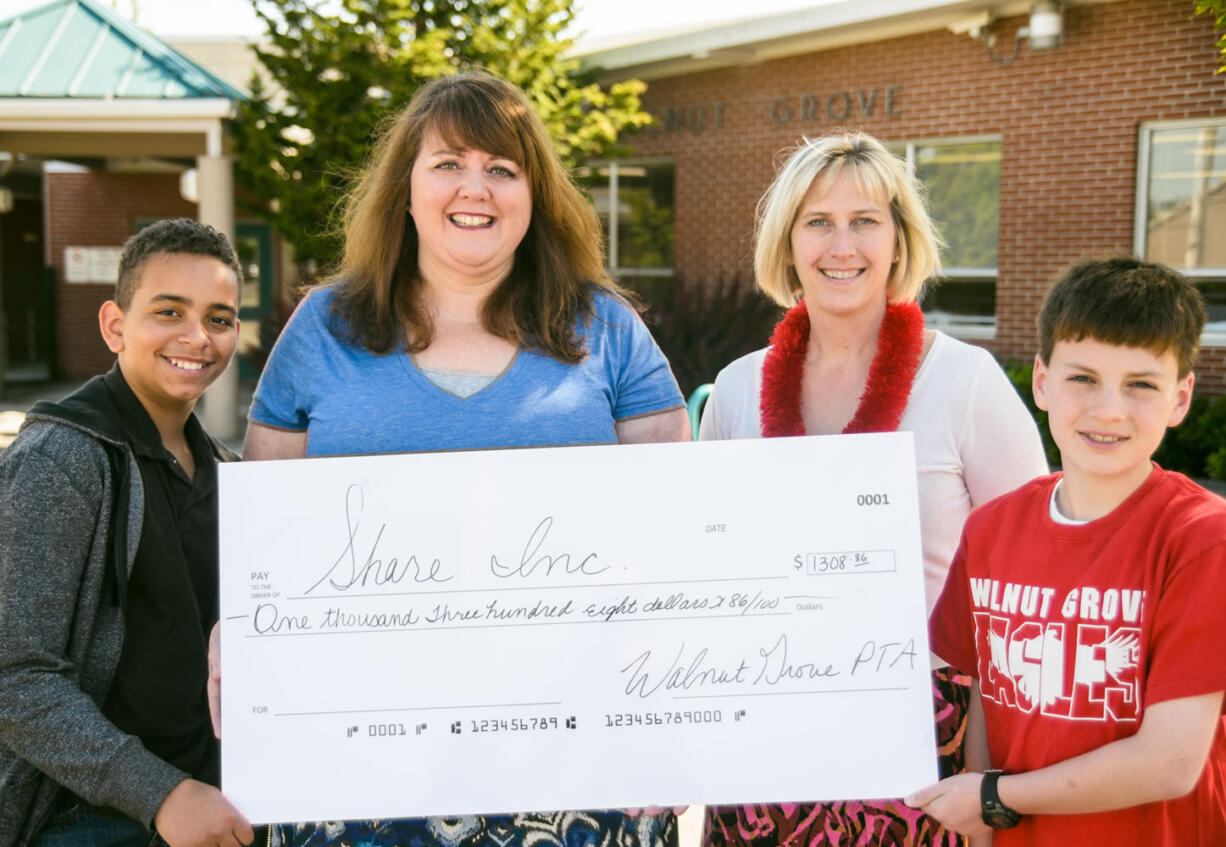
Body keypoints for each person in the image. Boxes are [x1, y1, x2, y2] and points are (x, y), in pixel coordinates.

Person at [232, 71, 688, 847]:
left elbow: (681, 536)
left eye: (502, 169)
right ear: (404, 187)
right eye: (447, 162)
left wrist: (679, 712)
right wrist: (234, 638)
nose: (474, 187)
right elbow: (260, 538)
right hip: (360, 754)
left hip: (575, 751)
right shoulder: (324, 327)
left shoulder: (605, 328)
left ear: (534, 195)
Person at [697, 133, 1048, 846]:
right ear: (788, 241)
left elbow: (1030, 579)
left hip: (925, 735)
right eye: (818, 221)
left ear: (898, 238)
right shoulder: (735, 390)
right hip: (768, 727)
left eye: (865, 221)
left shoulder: (965, 380)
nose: (842, 244)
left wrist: (989, 776)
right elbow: (706, 574)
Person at [907, 257, 1226, 845]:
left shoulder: (1201, 539)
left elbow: (1171, 761)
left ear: (1180, 398)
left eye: (1141, 385)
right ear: (1042, 381)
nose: (1108, 409)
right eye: (1083, 378)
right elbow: (985, 691)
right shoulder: (992, 528)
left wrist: (993, 798)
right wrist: (984, 821)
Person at [0, 219, 253, 847]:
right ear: (115, 324)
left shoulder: (227, 471)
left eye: (219, 319)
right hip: (89, 817)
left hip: (214, 804)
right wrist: (159, 793)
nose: (197, 337)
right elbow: (14, 674)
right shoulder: (60, 458)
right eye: (170, 311)